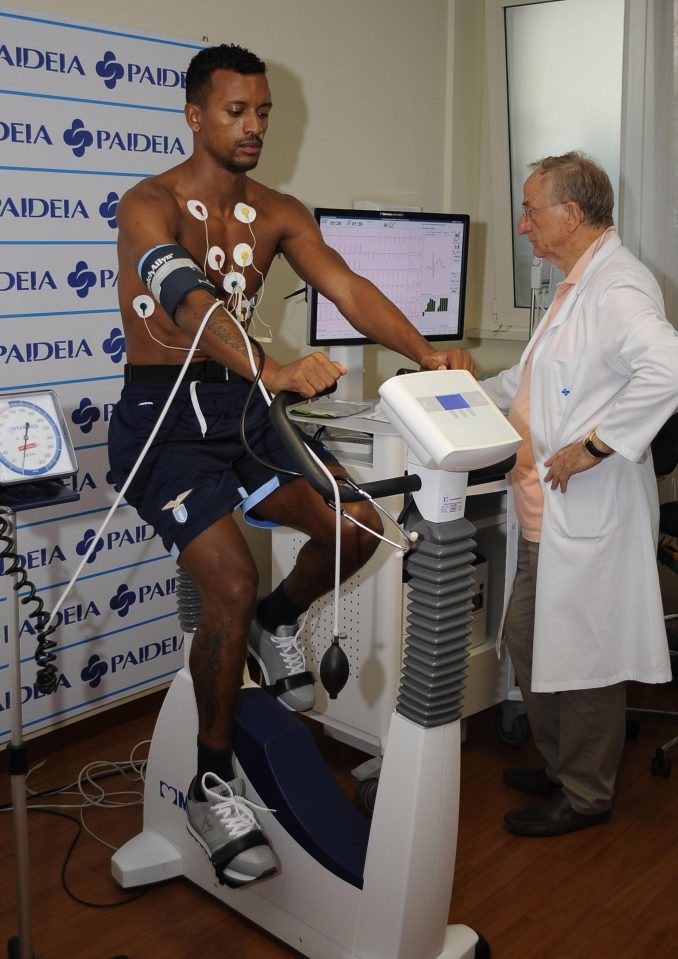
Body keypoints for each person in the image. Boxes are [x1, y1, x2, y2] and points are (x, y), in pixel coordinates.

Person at [108, 42, 476, 886]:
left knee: (358, 528)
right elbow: (182, 293)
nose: (253, 127)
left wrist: (427, 352)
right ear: (196, 114)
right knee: (223, 584)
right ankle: (208, 783)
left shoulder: (277, 210)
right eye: (236, 111)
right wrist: (271, 368)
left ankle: (278, 621)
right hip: (165, 417)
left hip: (242, 412)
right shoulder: (147, 203)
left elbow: (344, 285)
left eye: (263, 112)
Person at [482, 152, 678, 838]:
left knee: (585, 654)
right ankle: (561, 761)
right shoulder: (574, 286)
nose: (523, 223)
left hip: (586, 507)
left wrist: (593, 445)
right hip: (547, 510)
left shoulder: (619, 286)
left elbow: (670, 367)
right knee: (531, 638)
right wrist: (457, 395)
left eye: (532, 210)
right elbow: (529, 381)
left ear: (571, 214)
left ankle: (586, 792)